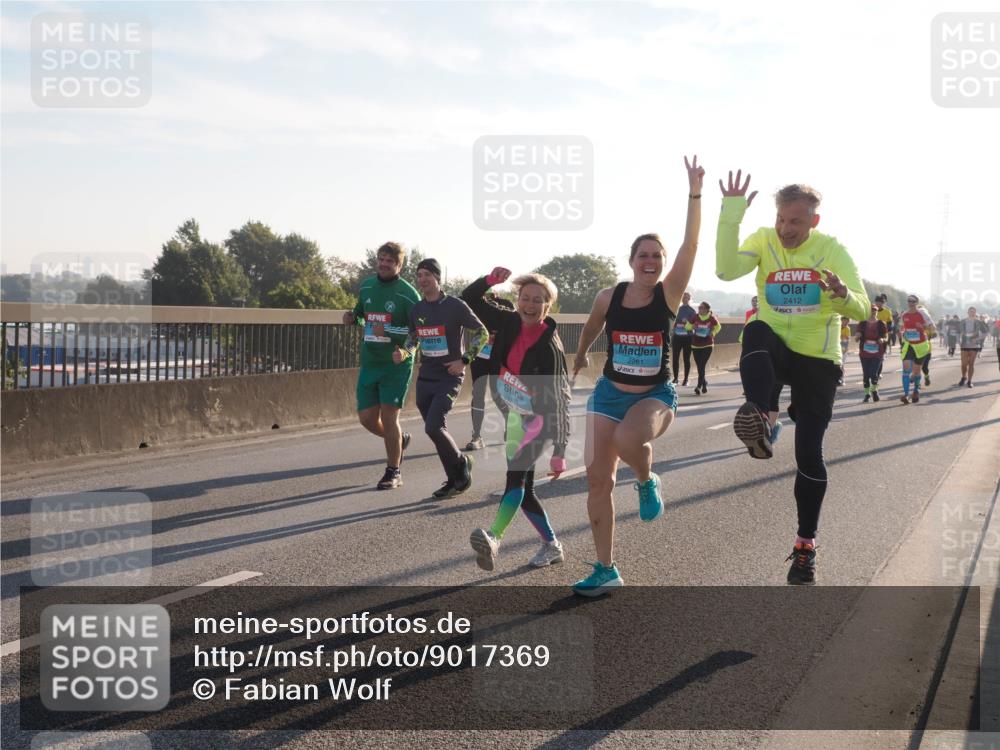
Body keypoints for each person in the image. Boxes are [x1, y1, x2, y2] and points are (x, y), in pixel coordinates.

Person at [717, 174, 869, 585]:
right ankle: (764, 417)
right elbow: (726, 270)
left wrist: (839, 294)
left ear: (813, 222)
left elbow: (861, 309)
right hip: (776, 350)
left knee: (809, 453)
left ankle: (806, 546)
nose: (786, 229)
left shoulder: (832, 250)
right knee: (756, 330)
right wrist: (731, 216)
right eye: (782, 219)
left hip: (818, 359)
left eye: (796, 222)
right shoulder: (765, 239)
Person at [569, 155, 704, 596]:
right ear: (631, 260)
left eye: (657, 256)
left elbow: (690, 246)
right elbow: (591, 326)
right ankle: (605, 568)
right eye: (643, 255)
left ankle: (647, 481)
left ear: (664, 264)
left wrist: (694, 193)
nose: (650, 261)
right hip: (609, 395)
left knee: (630, 441)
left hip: (654, 398)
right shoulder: (610, 296)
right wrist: (582, 350)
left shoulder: (668, 295)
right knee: (597, 479)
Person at [463, 268, 571, 570]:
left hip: (541, 420)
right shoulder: (508, 321)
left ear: (547, 306)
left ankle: (495, 537)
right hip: (514, 416)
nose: (530, 305)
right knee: (525, 490)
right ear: (518, 300)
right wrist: (488, 280)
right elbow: (469, 299)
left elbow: (561, 398)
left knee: (515, 477)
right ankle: (552, 545)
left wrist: (560, 452)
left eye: (538, 300)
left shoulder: (550, 347)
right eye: (525, 298)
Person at [399, 258, 488, 498]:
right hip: (426, 376)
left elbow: (482, 333)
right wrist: (405, 351)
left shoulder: (456, 306)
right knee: (435, 431)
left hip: (449, 376)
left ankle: (461, 464)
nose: (422, 279)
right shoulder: (417, 309)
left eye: (427, 274)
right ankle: (453, 479)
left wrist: (464, 360)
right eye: (419, 275)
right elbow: (413, 337)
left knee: (433, 426)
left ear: (437, 278)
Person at [344, 242, 421, 490]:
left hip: (396, 365)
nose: (384, 264)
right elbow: (360, 316)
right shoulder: (367, 286)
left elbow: (417, 333)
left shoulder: (408, 294)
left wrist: (406, 351)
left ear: (399, 265)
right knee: (367, 418)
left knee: (389, 417)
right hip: (370, 362)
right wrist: (350, 318)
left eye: (390, 261)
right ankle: (399, 439)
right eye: (381, 259)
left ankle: (393, 471)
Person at [464, 292, 516, 451]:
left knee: (497, 393)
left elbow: (512, 329)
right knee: (478, 393)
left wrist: (498, 337)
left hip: (498, 358)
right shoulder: (474, 305)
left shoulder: (505, 305)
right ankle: (477, 436)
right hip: (479, 356)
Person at [897, 295, 933, 404]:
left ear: (917, 302)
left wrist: (922, 327)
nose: (911, 303)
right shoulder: (904, 315)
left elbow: (932, 328)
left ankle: (916, 390)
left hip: (921, 345)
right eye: (909, 301)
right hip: (909, 344)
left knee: (916, 371)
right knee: (906, 368)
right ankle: (906, 394)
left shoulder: (922, 313)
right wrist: (903, 335)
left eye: (913, 301)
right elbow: (901, 327)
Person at [685, 300, 721, 394]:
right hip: (696, 345)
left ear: (706, 309)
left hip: (707, 345)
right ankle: (704, 383)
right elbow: (687, 326)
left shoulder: (711, 318)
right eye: (699, 308)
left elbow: (718, 327)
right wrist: (692, 327)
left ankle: (699, 386)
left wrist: (713, 333)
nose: (699, 309)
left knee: (702, 365)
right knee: (699, 366)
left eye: (701, 308)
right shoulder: (695, 317)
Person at [857, 304, 887, 403]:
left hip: (877, 352)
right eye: (871, 310)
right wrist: (858, 336)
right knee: (866, 374)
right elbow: (858, 333)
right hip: (864, 352)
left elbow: (885, 336)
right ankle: (867, 394)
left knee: (873, 373)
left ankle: (874, 390)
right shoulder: (862, 323)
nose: (873, 311)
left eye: (874, 310)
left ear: (877, 311)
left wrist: (882, 339)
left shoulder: (881, 323)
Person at [958, 306, 989, 388]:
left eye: (973, 311)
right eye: (970, 311)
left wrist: (977, 339)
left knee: (971, 364)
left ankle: (969, 381)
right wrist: (959, 341)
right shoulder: (963, 321)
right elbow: (958, 333)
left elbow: (986, 333)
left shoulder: (979, 322)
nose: (972, 313)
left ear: (975, 313)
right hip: (964, 344)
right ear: (967, 312)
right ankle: (964, 377)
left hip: (974, 345)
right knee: (964, 364)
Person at [671, 291, 696, 386]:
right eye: (683, 297)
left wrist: (688, 322)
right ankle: (676, 378)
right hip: (677, 336)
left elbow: (695, 324)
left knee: (686, 358)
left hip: (688, 337)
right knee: (675, 358)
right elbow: (672, 321)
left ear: (689, 299)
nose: (684, 299)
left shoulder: (692, 311)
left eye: (686, 297)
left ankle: (685, 379)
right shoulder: (677, 309)